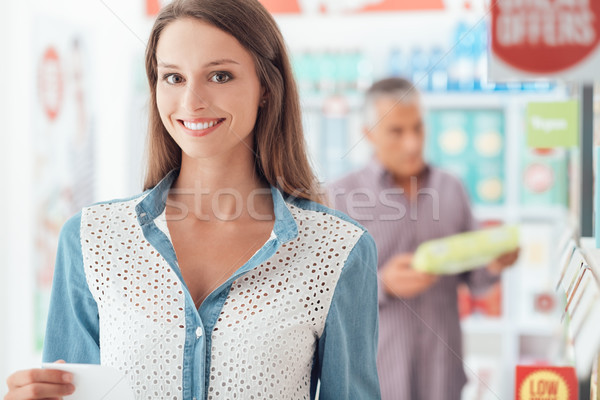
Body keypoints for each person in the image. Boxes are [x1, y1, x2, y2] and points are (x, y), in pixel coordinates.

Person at [3, 1, 382, 399]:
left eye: (220, 75)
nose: (191, 102)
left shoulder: (337, 251)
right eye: (173, 77)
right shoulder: (91, 240)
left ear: (266, 88)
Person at [327, 77, 519, 400]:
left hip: (443, 372)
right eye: (397, 132)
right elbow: (325, 294)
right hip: (376, 376)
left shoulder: (451, 188)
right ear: (368, 134)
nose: (412, 143)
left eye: (417, 128)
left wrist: (495, 262)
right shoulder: (341, 197)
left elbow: (476, 280)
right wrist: (382, 283)